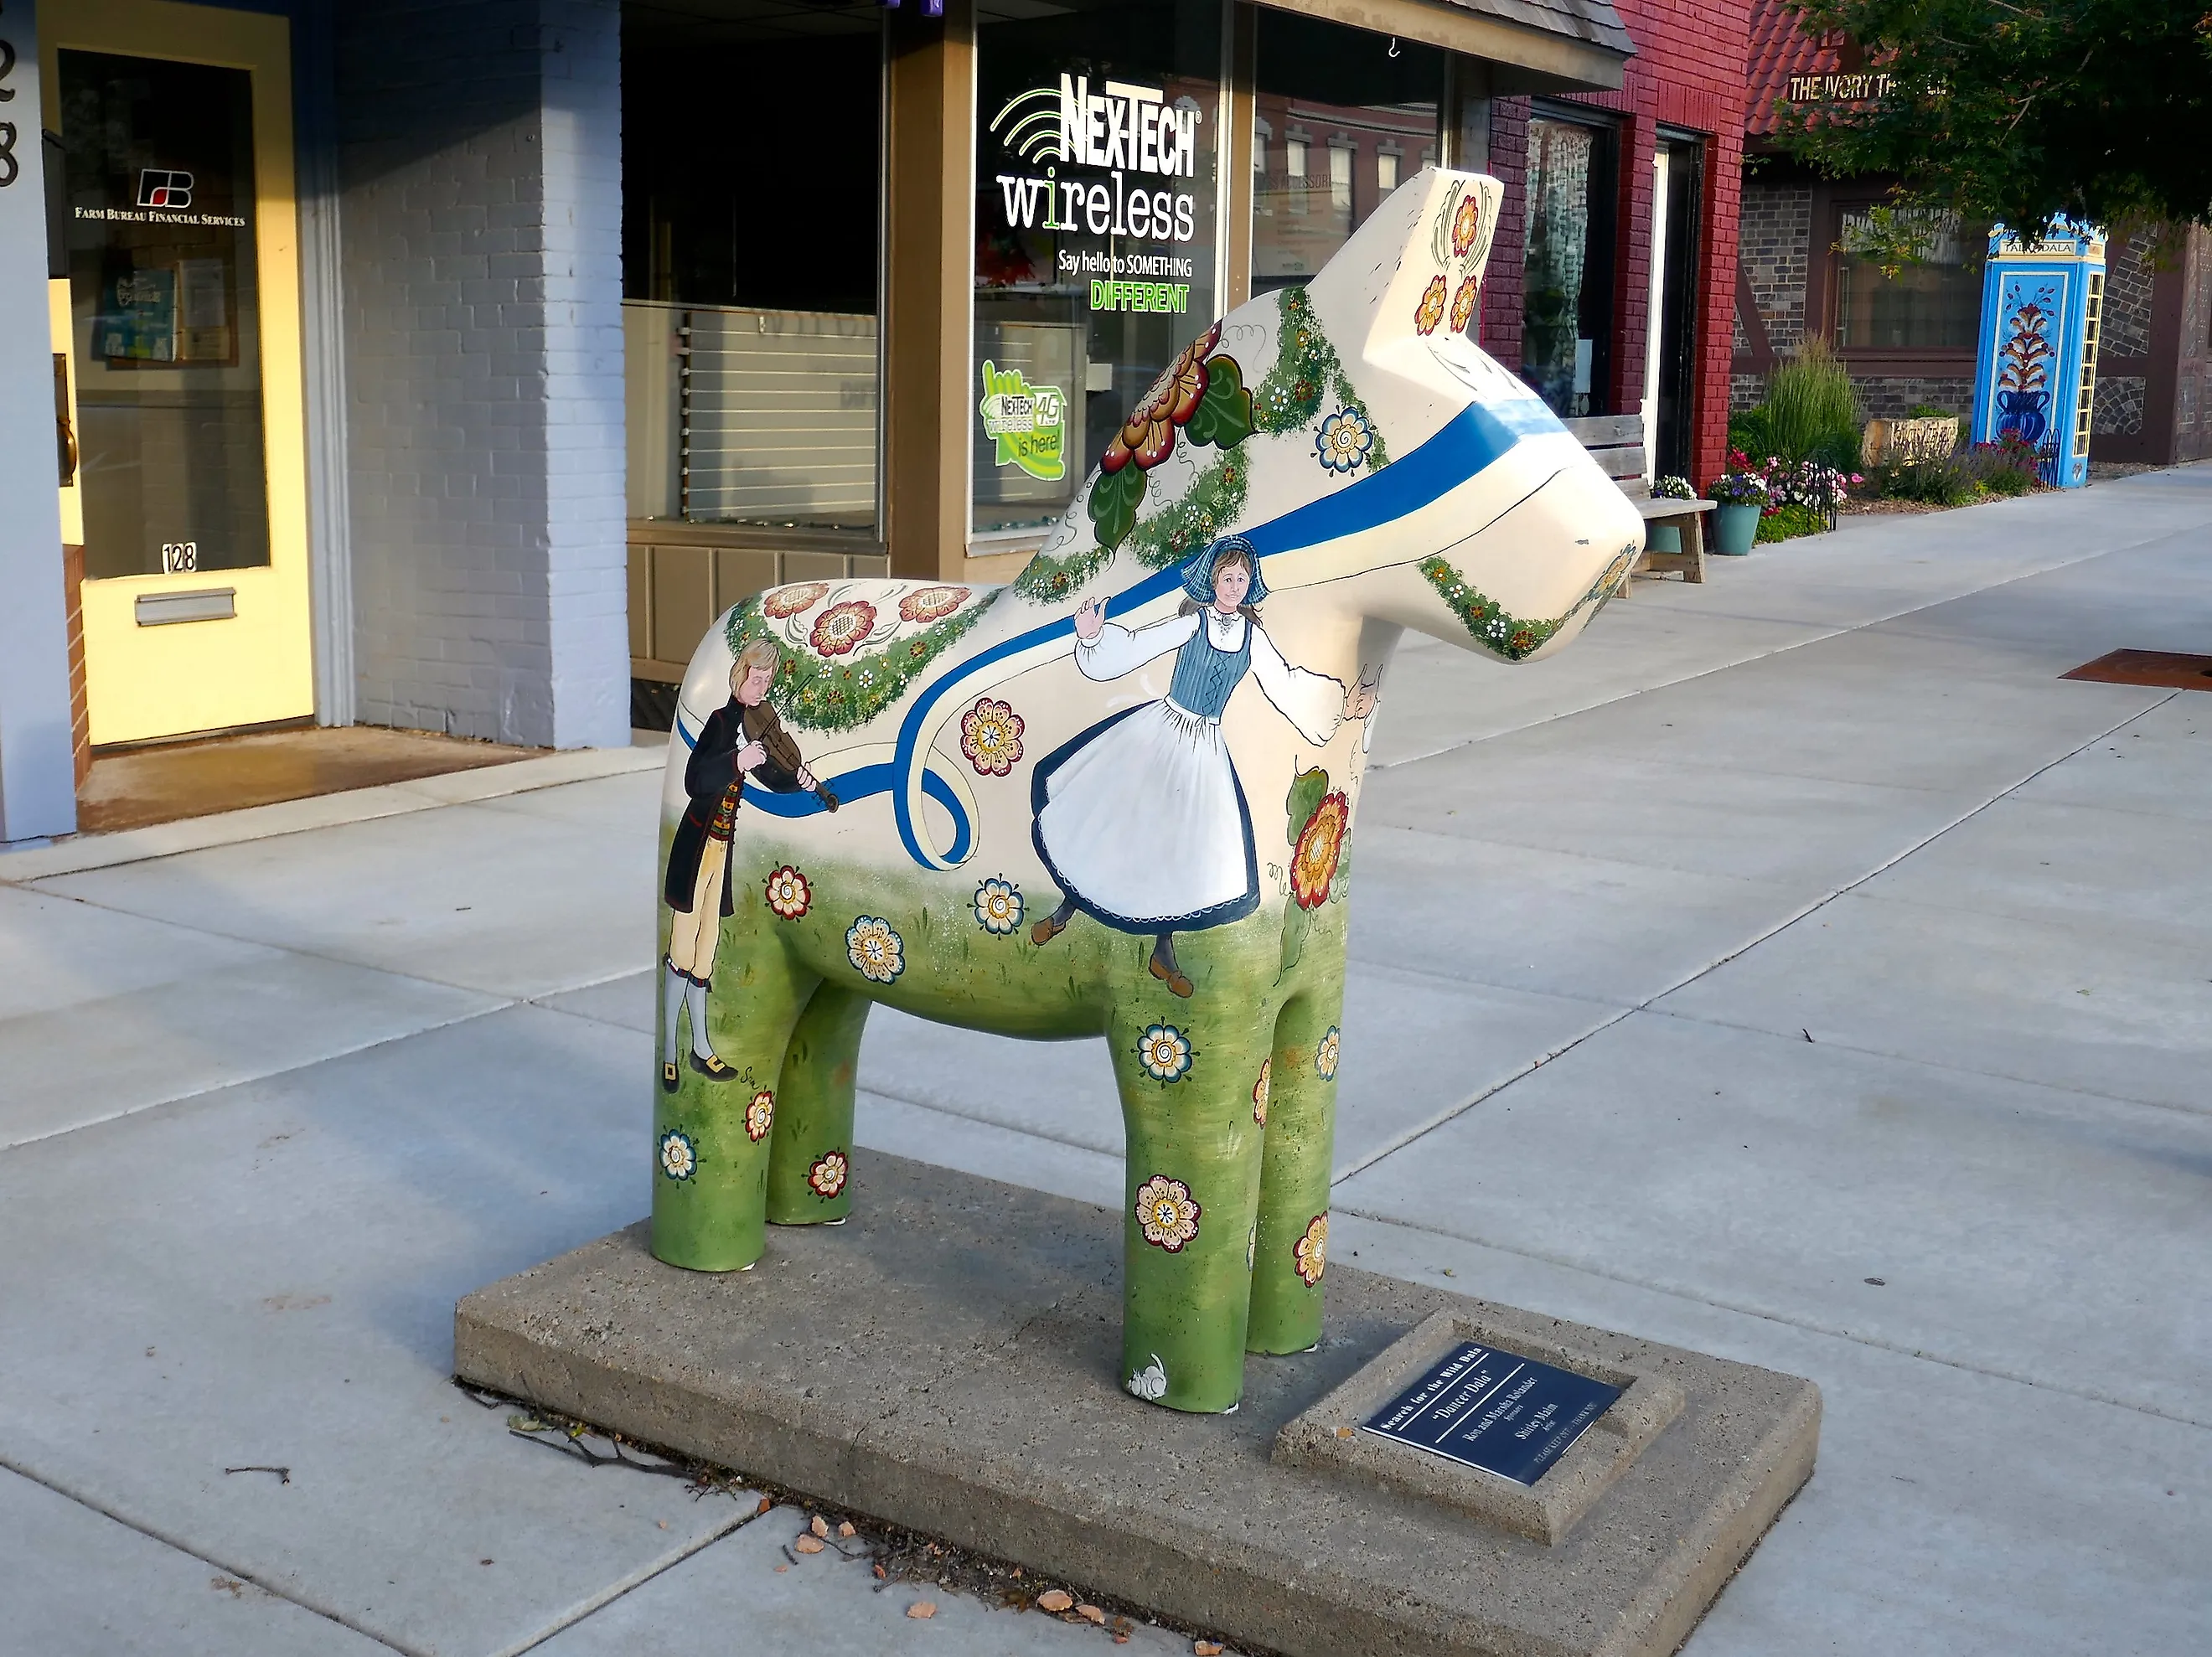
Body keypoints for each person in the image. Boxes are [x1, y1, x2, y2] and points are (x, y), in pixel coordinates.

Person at [1030, 536, 1374, 996]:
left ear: (1249, 584)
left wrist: (1338, 704)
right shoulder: (1193, 623)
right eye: (1226, 577)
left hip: (1204, 748)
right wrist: (1094, 637)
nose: (1234, 586)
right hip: (1162, 730)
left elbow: (1286, 683)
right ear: (1212, 580)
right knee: (1119, 821)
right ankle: (1064, 912)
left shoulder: (1252, 637)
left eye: (1241, 578)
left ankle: (1163, 952)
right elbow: (1140, 644)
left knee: (1184, 846)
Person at [661, 639, 837, 1091]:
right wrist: (736, 760)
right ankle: (670, 1052)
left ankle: (701, 1048)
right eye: (757, 678)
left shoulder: (754, 727)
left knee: (707, 950)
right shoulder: (722, 723)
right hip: (697, 846)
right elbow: (695, 779)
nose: (763, 688)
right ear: (740, 675)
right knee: (683, 946)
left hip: (721, 849)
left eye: (768, 680)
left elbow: (772, 772)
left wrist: (797, 780)